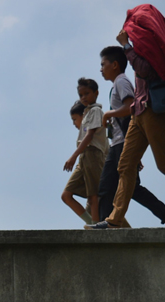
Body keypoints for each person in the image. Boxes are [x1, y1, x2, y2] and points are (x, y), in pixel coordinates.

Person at [85, 4, 165, 229]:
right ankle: (115, 220)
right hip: (140, 111)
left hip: (154, 111)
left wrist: (126, 46)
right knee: (125, 166)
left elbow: (146, 70)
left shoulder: (148, 45)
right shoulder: (144, 42)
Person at [96, 45, 165, 228]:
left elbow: (130, 109)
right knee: (131, 188)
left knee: (107, 188)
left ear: (114, 65)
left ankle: (105, 229)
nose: (101, 69)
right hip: (120, 144)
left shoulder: (121, 82)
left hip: (122, 143)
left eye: (103, 64)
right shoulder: (117, 84)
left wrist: (108, 114)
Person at [61, 78, 109, 226]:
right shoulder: (88, 112)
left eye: (87, 93)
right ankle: (92, 224)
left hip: (92, 153)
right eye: (81, 95)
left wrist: (73, 156)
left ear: (96, 93)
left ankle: (96, 226)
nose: (83, 97)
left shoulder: (96, 111)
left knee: (93, 196)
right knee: (66, 195)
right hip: (84, 156)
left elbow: (90, 135)